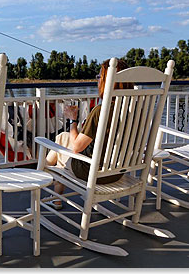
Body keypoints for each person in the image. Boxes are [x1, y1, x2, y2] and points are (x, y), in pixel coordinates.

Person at [45, 58, 133, 210]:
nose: (97, 80)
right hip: (118, 171)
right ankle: (55, 197)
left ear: (107, 81)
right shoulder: (135, 109)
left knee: (60, 151)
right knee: (62, 138)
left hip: (93, 172)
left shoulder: (101, 111)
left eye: (99, 77)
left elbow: (77, 147)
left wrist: (73, 120)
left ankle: (44, 185)